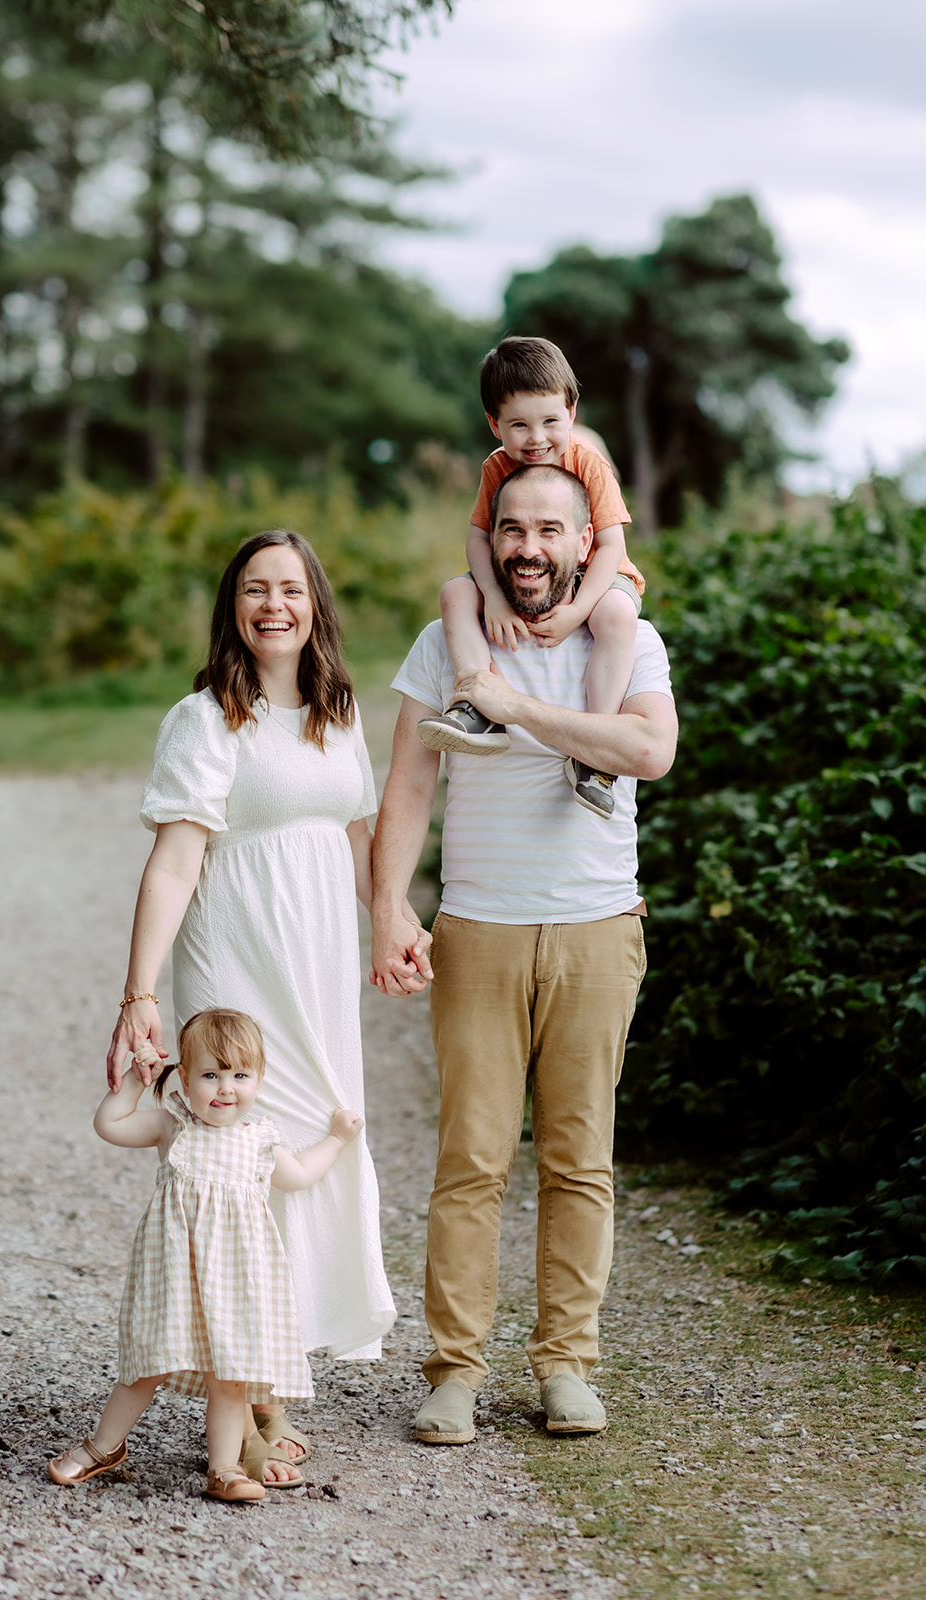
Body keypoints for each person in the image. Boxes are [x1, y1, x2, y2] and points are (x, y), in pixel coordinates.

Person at [107, 528, 424, 1483]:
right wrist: (140, 991)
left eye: (290, 587)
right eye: (254, 589)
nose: (273, 604)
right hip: (238, 956)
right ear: (233, 607)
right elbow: (171, 862)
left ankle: (275, 1368)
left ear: (315, 604)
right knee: (241, 1160)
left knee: (318, 1138)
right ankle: (250, 1403)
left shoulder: (339, 709)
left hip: (319, 959)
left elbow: (362, 830)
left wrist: (387, 922)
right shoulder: (204, 720)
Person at [371, 464, 678, 1445]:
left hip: (597, 928)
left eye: (549, 528)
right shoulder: (443, 645)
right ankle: (454, 1371)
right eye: (511, 527)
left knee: (577, 1160)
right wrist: (386, 907)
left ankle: (564, 1367)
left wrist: (514, 710)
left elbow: (647, 751)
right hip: (478, 930)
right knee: (468, 1161)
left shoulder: (625, 638)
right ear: (489, 536)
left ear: (584, 542)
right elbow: (408, 789)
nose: (528, 547)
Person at [49, 1009, 363, 1503]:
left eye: (240, 1075)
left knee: (230, 1374)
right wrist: (135, 1079)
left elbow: (300, 1174)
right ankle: (102, 1447)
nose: (225, 1088)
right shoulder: (174, 1125)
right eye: (210, 1075)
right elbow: (109, 1124)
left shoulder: (260, 1139)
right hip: (174, 1273)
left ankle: (225, 1468)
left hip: (237, 1280)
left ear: (259, 1079)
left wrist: (337, 1140)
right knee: (145, 1366)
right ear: (186, 1078)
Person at [416, 335, 646, 820]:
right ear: (494, 423)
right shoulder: (496, 468)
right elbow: (479, 539)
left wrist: (576, 613)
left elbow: (611, 547)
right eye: (519, 425)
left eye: (550, 422)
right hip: (518, 575)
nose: (536, 438)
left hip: (594, 577)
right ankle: (475, 704)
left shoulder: (587, 462)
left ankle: (594, 755)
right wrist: (493, 598)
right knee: (456, 593)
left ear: (572, 411)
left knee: (619, 615)